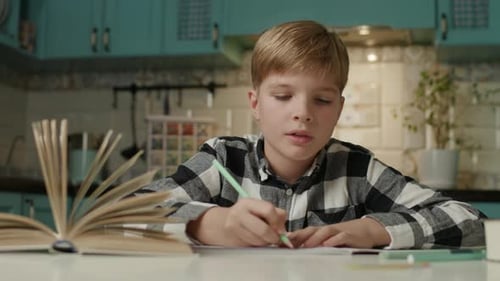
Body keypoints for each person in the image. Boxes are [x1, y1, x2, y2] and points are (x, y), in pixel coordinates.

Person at [141, 20, 485, 249]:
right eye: (283, 96)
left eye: (321, 100)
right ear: (255, 103)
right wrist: (209, 223)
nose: (303, 112)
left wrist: (372, 230)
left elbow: (471, 220)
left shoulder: (356, 169)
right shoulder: (222, 159)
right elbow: (128, 211)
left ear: (337, 109)